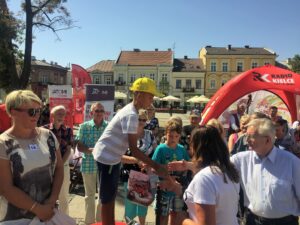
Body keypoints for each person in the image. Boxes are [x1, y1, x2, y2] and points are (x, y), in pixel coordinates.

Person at [92, 77, 168, 225]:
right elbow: (134, 150)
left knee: (110, 196)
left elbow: (133, 148)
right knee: (107, 199)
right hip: (107, 158)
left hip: (110, 157)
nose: (152, 100)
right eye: (150, 96)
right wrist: (157, 166)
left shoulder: (131, 111)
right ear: (138, 94)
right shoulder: (131, 115)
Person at [0, 90, 63, 222]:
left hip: (49, 213)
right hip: (16, 218)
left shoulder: (48, 136)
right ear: (12, 112)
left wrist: (51, 201)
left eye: (38, 111)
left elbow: (59, 168)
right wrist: (37, 209)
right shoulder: (3, 143)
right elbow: (6, 188)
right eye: (31, 111)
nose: (36, 115)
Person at [162, 126, 240, 225]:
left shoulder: (204, 178)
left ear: (197, 147)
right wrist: (180, 190)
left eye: (191, 144)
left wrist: (183, 219)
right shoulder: (228, 171)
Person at [231, 118, 300, 225]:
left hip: (285, 222)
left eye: (251, 136)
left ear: (267, 140)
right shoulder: (241, 160)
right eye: (246, 136)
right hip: (253, 220)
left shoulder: (291, 162)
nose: (246, 140)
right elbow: (219, 169)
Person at [121, 109, 157, 225]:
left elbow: (156, 153)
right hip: (130, 174)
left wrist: (150, 164)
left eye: (143, 119)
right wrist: (137, 161)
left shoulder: (150, 135)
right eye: (138, 119)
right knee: (130, 206)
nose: (141, 121)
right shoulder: (127, 135)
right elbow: (120, 156)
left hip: (145, 175)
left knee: (142, 206)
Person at [152, 120, 190, 225]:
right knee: (162, 216)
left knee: (176, 215)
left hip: (177, 189)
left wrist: (184, 166)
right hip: (164, 189)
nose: (173, 139)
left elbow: (188, 164)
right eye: (170, 136)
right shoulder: (160, 149)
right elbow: (153, 168)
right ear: (166, 134)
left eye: (176, 136)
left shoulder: (182, 149)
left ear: (179, 136)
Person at [75, 102, 108, 225]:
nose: (99, 113)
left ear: (104, 113)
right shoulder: (84, 126)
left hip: (104, 166)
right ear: (91, 113)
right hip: (88, 164)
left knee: (102, 196)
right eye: (97, 111)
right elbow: (79, 144)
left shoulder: (108, 126)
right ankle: (89, 222)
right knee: (89, 196)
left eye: (101, 111)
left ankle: (99, 222)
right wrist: (91, 151)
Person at [44, 105, 73, 215]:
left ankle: (64, 221)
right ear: (52, 115)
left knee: (64, 197)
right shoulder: (44, 130)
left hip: (63, 167)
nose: (61, 116)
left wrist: (59, 164)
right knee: (46, 196)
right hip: (47, 167)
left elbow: (69, 150)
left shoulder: (68, 130)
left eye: (63, 114)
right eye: (59, 113)